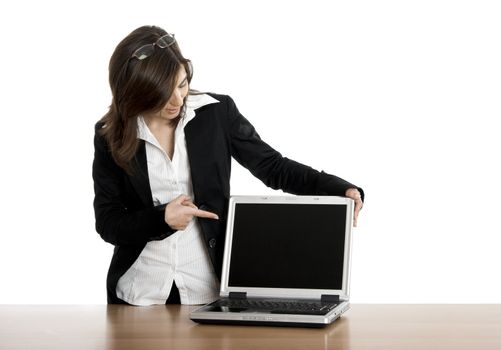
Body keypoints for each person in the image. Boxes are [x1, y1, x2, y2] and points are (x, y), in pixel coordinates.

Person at [93, 25, 364, 306]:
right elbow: (108, 222)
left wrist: (339, 188)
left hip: (206, 290)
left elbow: (273, 167)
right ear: (136, 93)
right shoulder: (109, 134)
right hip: (139, 292)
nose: (177, 100)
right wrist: (161, 219)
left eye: (182, 84)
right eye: (162, 93)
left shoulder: (216, 113)